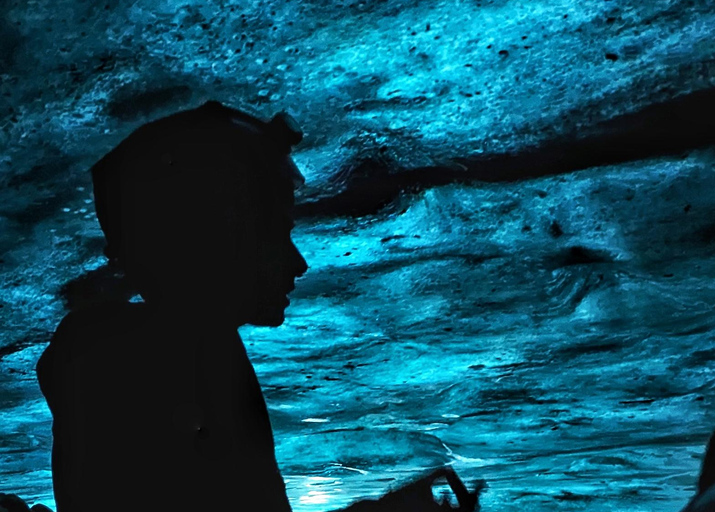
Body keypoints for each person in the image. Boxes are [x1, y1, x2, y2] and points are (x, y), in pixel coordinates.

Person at [36, 101, 481, 512]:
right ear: (215, 236)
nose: (298, 262)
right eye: (276, 234)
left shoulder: (162, 348)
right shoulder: (164, 361)